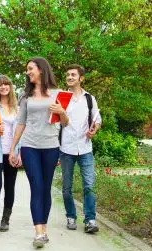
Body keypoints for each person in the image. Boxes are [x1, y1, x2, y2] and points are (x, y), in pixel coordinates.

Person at [9, 57, 69, 248]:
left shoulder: (58, 94)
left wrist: (61, 111)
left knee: (46, 187)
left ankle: (44, 226)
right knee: (36, 186)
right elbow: (21, 123)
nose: (28, 72)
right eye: (27, 70)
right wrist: (13, 149)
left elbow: (65, 123)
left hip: (51, 146)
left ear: (41, 70)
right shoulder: (25, 95)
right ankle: (39, 232)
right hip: (30, 146)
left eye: (30, 69)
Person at [59, 64, 101, 233]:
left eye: (73, 75)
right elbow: (57, 122)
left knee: (89, 185)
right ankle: (71, 216)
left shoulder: (90, 98)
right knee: (67, 187)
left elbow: (97, 119)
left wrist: (94, 130)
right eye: (68, 74)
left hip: (85, 148)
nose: (69, 77)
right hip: (66, 148)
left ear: (81, 78)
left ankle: (90, 220)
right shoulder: (62, 98)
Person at [0, 75, 21, 235]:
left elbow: (21, 131)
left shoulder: (17, 108)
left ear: (10, 87)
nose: (3, 87)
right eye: (0, 85)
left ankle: (5, 220)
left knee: (10, 187)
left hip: (12, 152)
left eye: (6, 84)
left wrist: (19, 152)